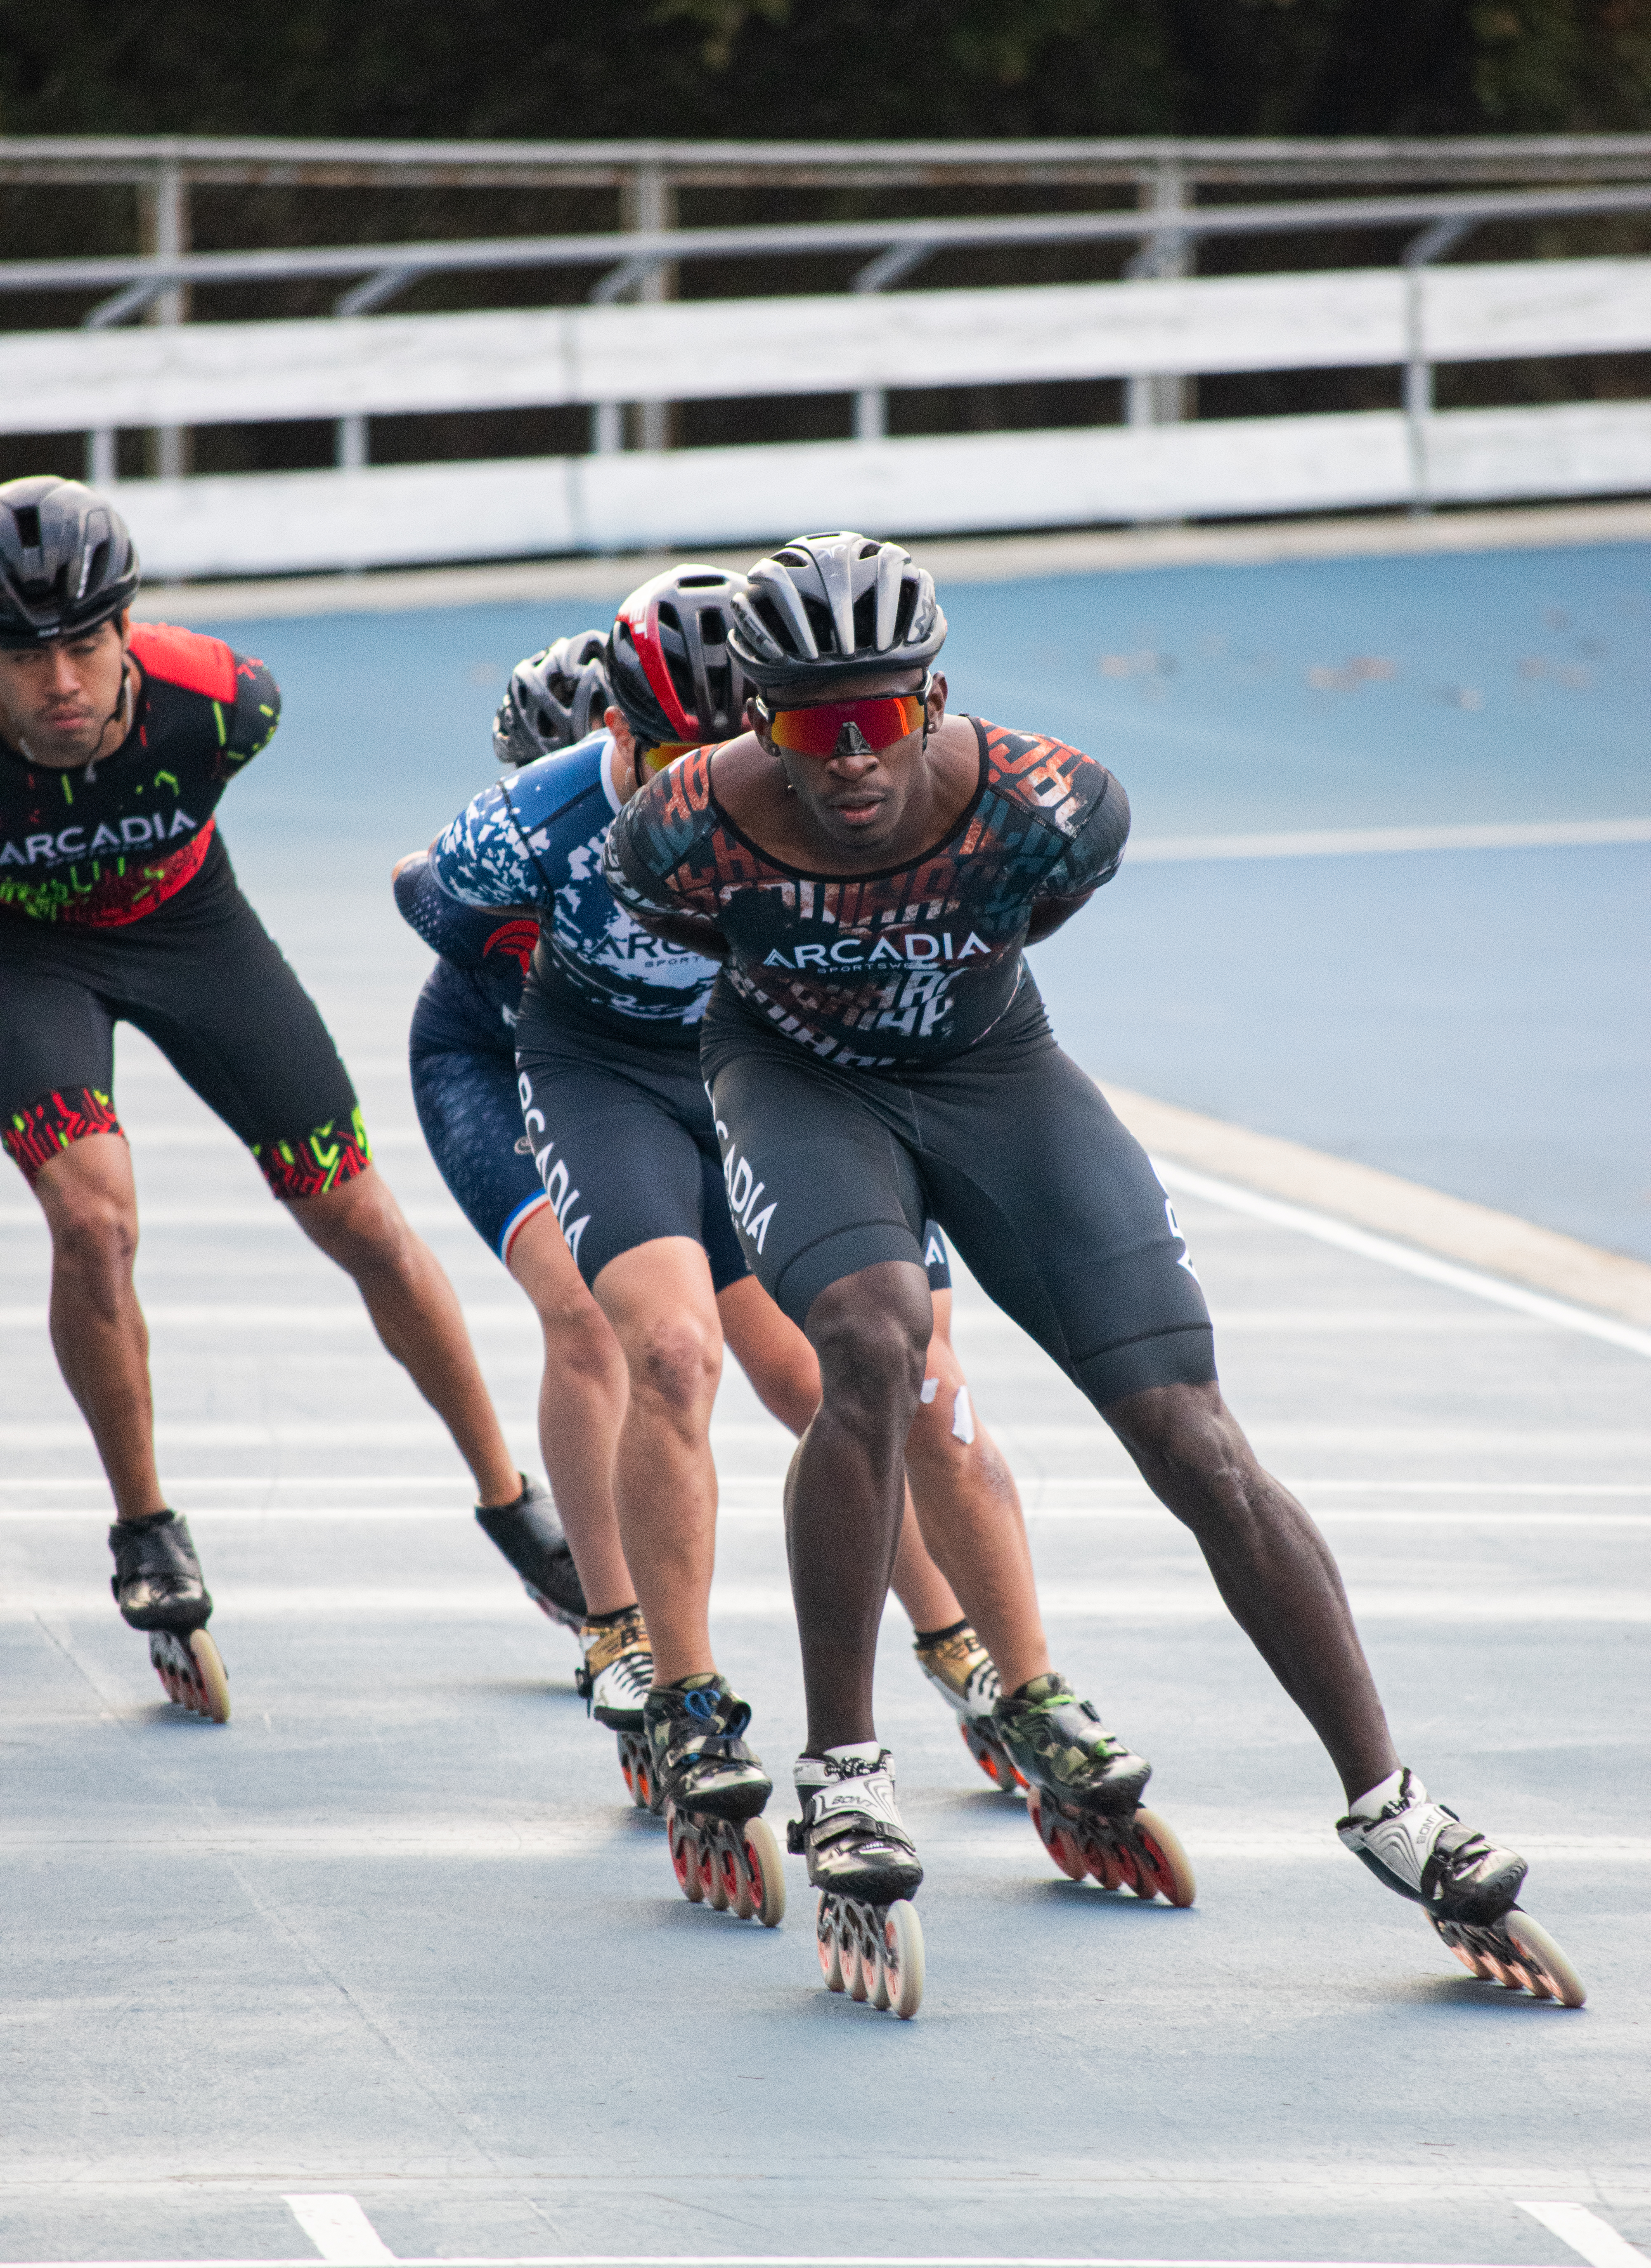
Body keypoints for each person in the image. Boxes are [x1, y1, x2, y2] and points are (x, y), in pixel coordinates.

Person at [600, 528, 1579, 2001]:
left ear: (934, 700)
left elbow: (1033, 922)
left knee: (1194, 1433)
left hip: (993, 1069)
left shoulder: (1055, 805)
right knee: (871, 1344)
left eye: (883, 719)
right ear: (757, 722)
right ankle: (846, 1774)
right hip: (799, 1084)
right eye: (815, 728)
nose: (854, 760)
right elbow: (689, 952)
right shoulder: (681, 829)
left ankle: (1392, 1804)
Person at [421, 576, 1083, 1869]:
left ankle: (968, 1650)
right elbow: (428, 905)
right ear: (616, 744)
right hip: (560, 1067)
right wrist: (547, 983)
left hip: (749, 1069)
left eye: (735, 754)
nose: (706, 787)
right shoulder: (538, 823)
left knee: (853, 1371)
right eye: (676, 759)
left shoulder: (802, 798)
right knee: (623, 1334)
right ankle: (642, 1652)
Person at [0, 475, 572, 1721]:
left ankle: (511, 1502)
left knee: (360, 1218)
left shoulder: (226, 705)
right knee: (93, 1221)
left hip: (191, 926)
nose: (60, 683)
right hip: (21, 957)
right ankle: (146, 1527)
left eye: (86, 644)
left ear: (127, 630)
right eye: (22, 656)